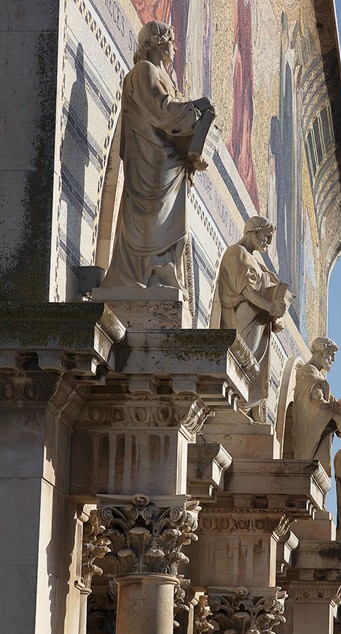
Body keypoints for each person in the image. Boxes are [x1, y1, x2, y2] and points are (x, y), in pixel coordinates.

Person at [100, 21, 214, 295]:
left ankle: (163, 267)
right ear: (156, 42)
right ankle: (149, 270)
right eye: (171, 41)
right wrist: (195, 110)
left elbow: (172, 123)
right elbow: (162, 112)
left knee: (172, 221)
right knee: (153, 216)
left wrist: (195, 150)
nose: (174, 47)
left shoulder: (164, 78)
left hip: (170, 163)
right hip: (150, 161)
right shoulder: (144, 71)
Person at [218, 216, 290, 421]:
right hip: (243, 317)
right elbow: (247, 290)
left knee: (252, 365)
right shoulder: (237, 252)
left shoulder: (256, 262)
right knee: (243, 360)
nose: (268, 242)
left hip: (258, 320)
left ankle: (242, 406)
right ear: (254, 231)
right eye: (267, 236)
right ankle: (234, 406)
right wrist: (270, 307)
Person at [292, 337, 341, 475]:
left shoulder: (319, 377)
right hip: (307, 436)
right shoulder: (308, 371)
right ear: (321, 352)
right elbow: (317, 403)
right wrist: (335, 417)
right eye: (331, 355)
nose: (333, 360)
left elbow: (328, 403)